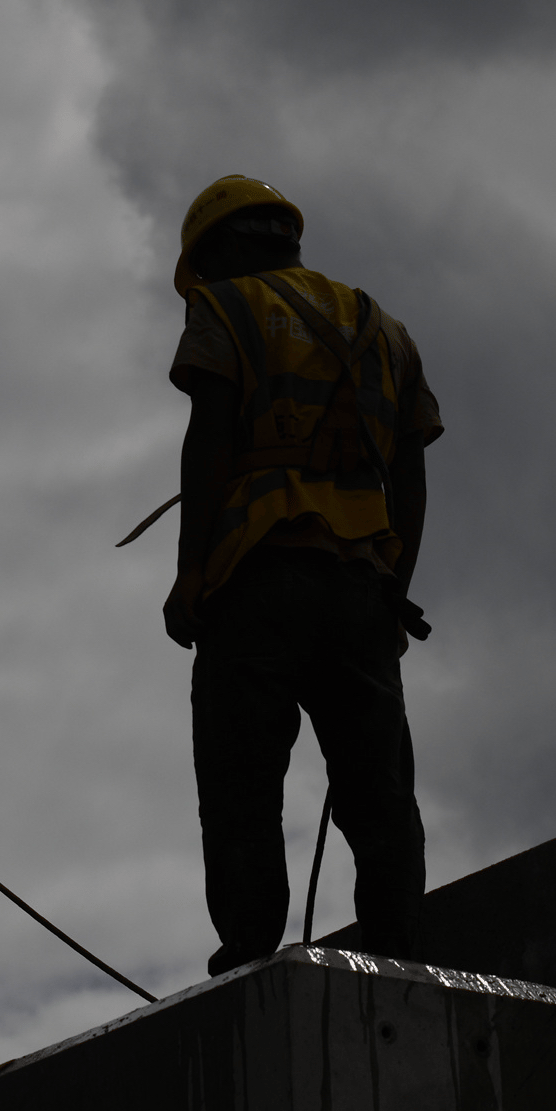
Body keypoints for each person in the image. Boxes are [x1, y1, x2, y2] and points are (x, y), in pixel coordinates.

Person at [164, 175, 441, 974]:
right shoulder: (382, 327)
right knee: (380, 788)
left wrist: (190, 574)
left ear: (221, 250)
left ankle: (251, 957)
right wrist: (396, 581)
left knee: (242, 779)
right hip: (360, 589)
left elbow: (210, 439)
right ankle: (398, 957)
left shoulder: (226, 307)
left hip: (259, 578)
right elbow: (411, 472)